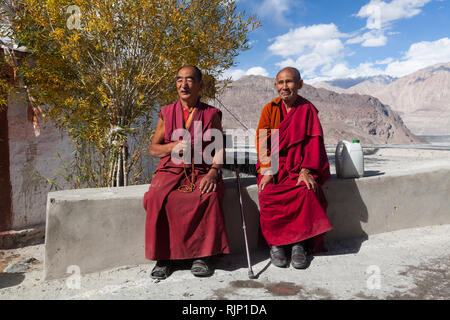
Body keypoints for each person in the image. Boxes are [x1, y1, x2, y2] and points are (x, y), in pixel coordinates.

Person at [143, 66, 230, 279]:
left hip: (201, 169)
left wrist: (213, 173)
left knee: (208, 196)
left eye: (190, 80)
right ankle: (165, 257)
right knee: (157, 196)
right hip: (171, 169)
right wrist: (172, 146)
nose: (184, 85)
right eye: (180, 80)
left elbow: (219, 148)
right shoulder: (167, 113)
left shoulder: (210, 114)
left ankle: (204, 256)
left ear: (200, 85)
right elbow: (154, 149)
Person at [255, 67, 333, 269]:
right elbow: (263, 142)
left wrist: (306, 170)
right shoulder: (269, 109)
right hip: (274, 165)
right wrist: (268, 169)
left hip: (300, 166)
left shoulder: (307, 110)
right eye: (280, 83)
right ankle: (276, 244)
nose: (284, 87)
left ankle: (299, 245)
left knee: (305, 191)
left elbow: (314, 143)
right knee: (267, 193)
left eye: (289, 82)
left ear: (300, 84)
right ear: (275, 86)